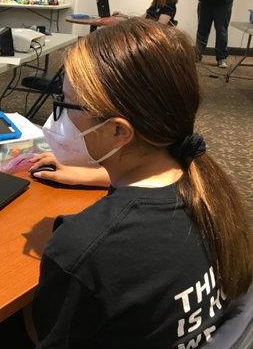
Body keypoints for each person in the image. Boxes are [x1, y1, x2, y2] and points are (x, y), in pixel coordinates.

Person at [29, 18, 251, 348]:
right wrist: (89, 174)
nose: (56, 118)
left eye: (66, 104)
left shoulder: (82, 252)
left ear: (119, 131)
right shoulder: (208, 188)